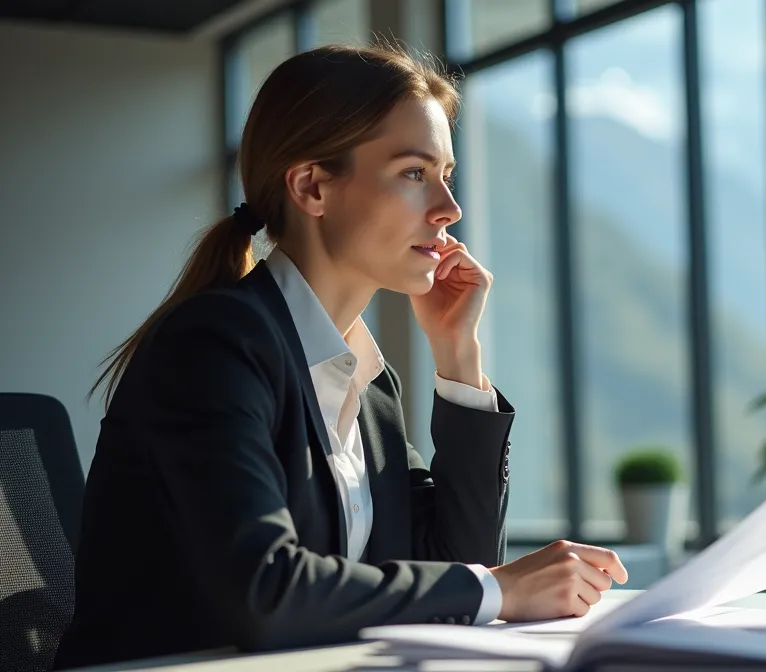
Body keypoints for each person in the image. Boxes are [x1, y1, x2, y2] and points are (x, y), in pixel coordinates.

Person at [53, 43, 627, 669]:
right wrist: (501, 588)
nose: (449, 209)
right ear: (313, 187)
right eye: (414, 173)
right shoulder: (214, 346)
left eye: (447, 175)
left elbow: (452, 560)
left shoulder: (368, 386)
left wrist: (457, 358)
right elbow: (266, 591)